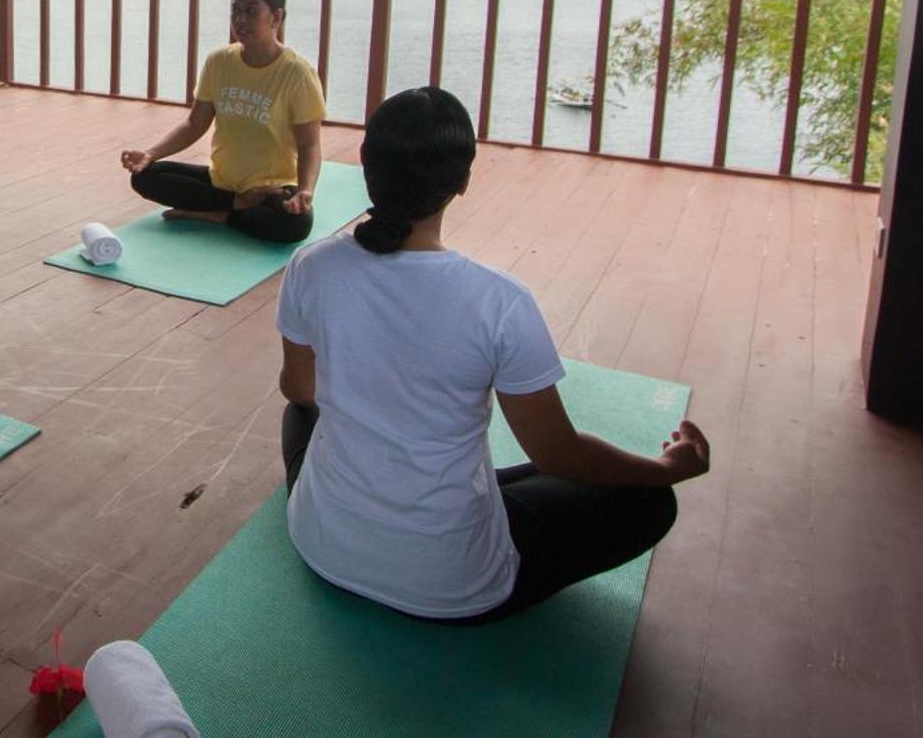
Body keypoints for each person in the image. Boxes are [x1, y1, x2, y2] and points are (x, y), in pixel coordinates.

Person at [275, 86, 709, 623]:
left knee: (301, 416)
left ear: (366, 162)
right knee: (650, 500)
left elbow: (299, 391)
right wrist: (666, 466)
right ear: (463, 180)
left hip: (322, 541)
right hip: (450, 584)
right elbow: (560, 455)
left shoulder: (311, 266)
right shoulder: (498, 301)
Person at [119, 0, 325, 244]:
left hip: (271, 188)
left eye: (251, 11)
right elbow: (195, 124)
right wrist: (149, 154)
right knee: (145, 176)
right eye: (235, 11)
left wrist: (305, 190)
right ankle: (236, 205)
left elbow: (310, 145)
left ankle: (215, 215)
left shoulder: (297, 74)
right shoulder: (218, 61)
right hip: (222, 182)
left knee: (296, 224)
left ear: (276, 17)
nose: (240, 19)